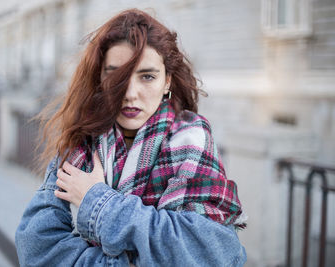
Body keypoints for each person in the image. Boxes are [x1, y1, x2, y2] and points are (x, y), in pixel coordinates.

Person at [15, 8, 247, 266]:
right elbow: (36, 248)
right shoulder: (83, 143)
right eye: (116, 75)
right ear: (99, 79)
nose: (130, 93)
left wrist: (99, 202)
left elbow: (214, 254)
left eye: (147, 76)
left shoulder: (192, 141)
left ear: (167, 81)